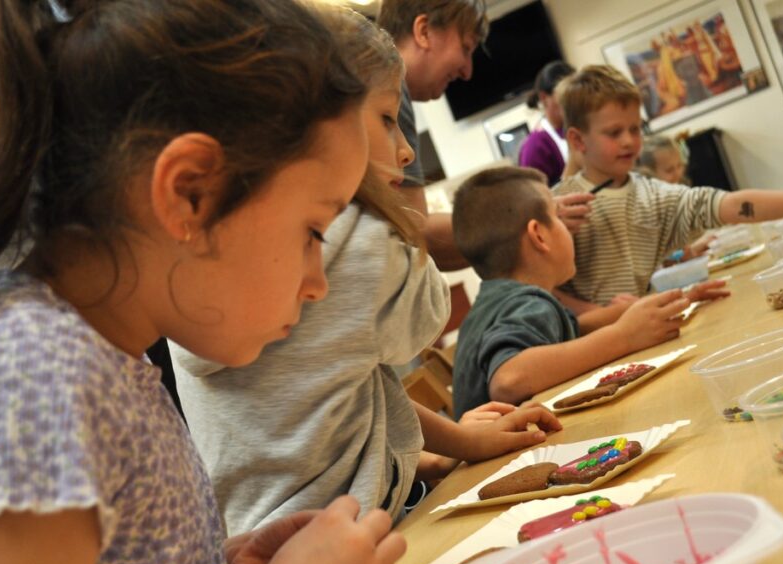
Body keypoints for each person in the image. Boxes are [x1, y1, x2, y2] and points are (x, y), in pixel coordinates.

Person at [0, 1, 407, 564]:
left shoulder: (102, 358)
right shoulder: (32, 377)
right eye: (313, 231)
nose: (317, 283)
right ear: (190, 193)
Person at [170, 8, 560, 534]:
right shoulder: (365, 242)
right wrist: (383, 207)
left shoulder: (203, 254)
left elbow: (351, 382)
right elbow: (429, 316)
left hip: (267, 542)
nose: (403, 150)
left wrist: (460, 442)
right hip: (356, 532)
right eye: (384, 118)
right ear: (319, 120)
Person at [551, 65, 783, 307]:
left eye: (634, 129)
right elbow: (532, 286)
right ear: (578, 140)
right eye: (614, 132)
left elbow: (732, 205)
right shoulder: (556, 207)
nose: (629, 141)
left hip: (639, 329)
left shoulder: (653, 195)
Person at [450, 167, 695, 416]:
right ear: (539, 236)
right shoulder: (528, 303)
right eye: (558, 217)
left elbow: (570, 329)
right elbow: (509, 379)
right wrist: (625, 336)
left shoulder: (500, 300)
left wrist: (638, 309)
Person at [377, 0, 595, 267]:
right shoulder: (392, 90)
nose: (467, 71)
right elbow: (418, 233)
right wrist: (526, 217)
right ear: (423, 31)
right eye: (465, 48)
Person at [519, 60, 575, 186]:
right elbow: (535, 201)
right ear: (544, 98)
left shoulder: (581, 126)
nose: (571, 101)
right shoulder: (535, 147)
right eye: (564, 95)